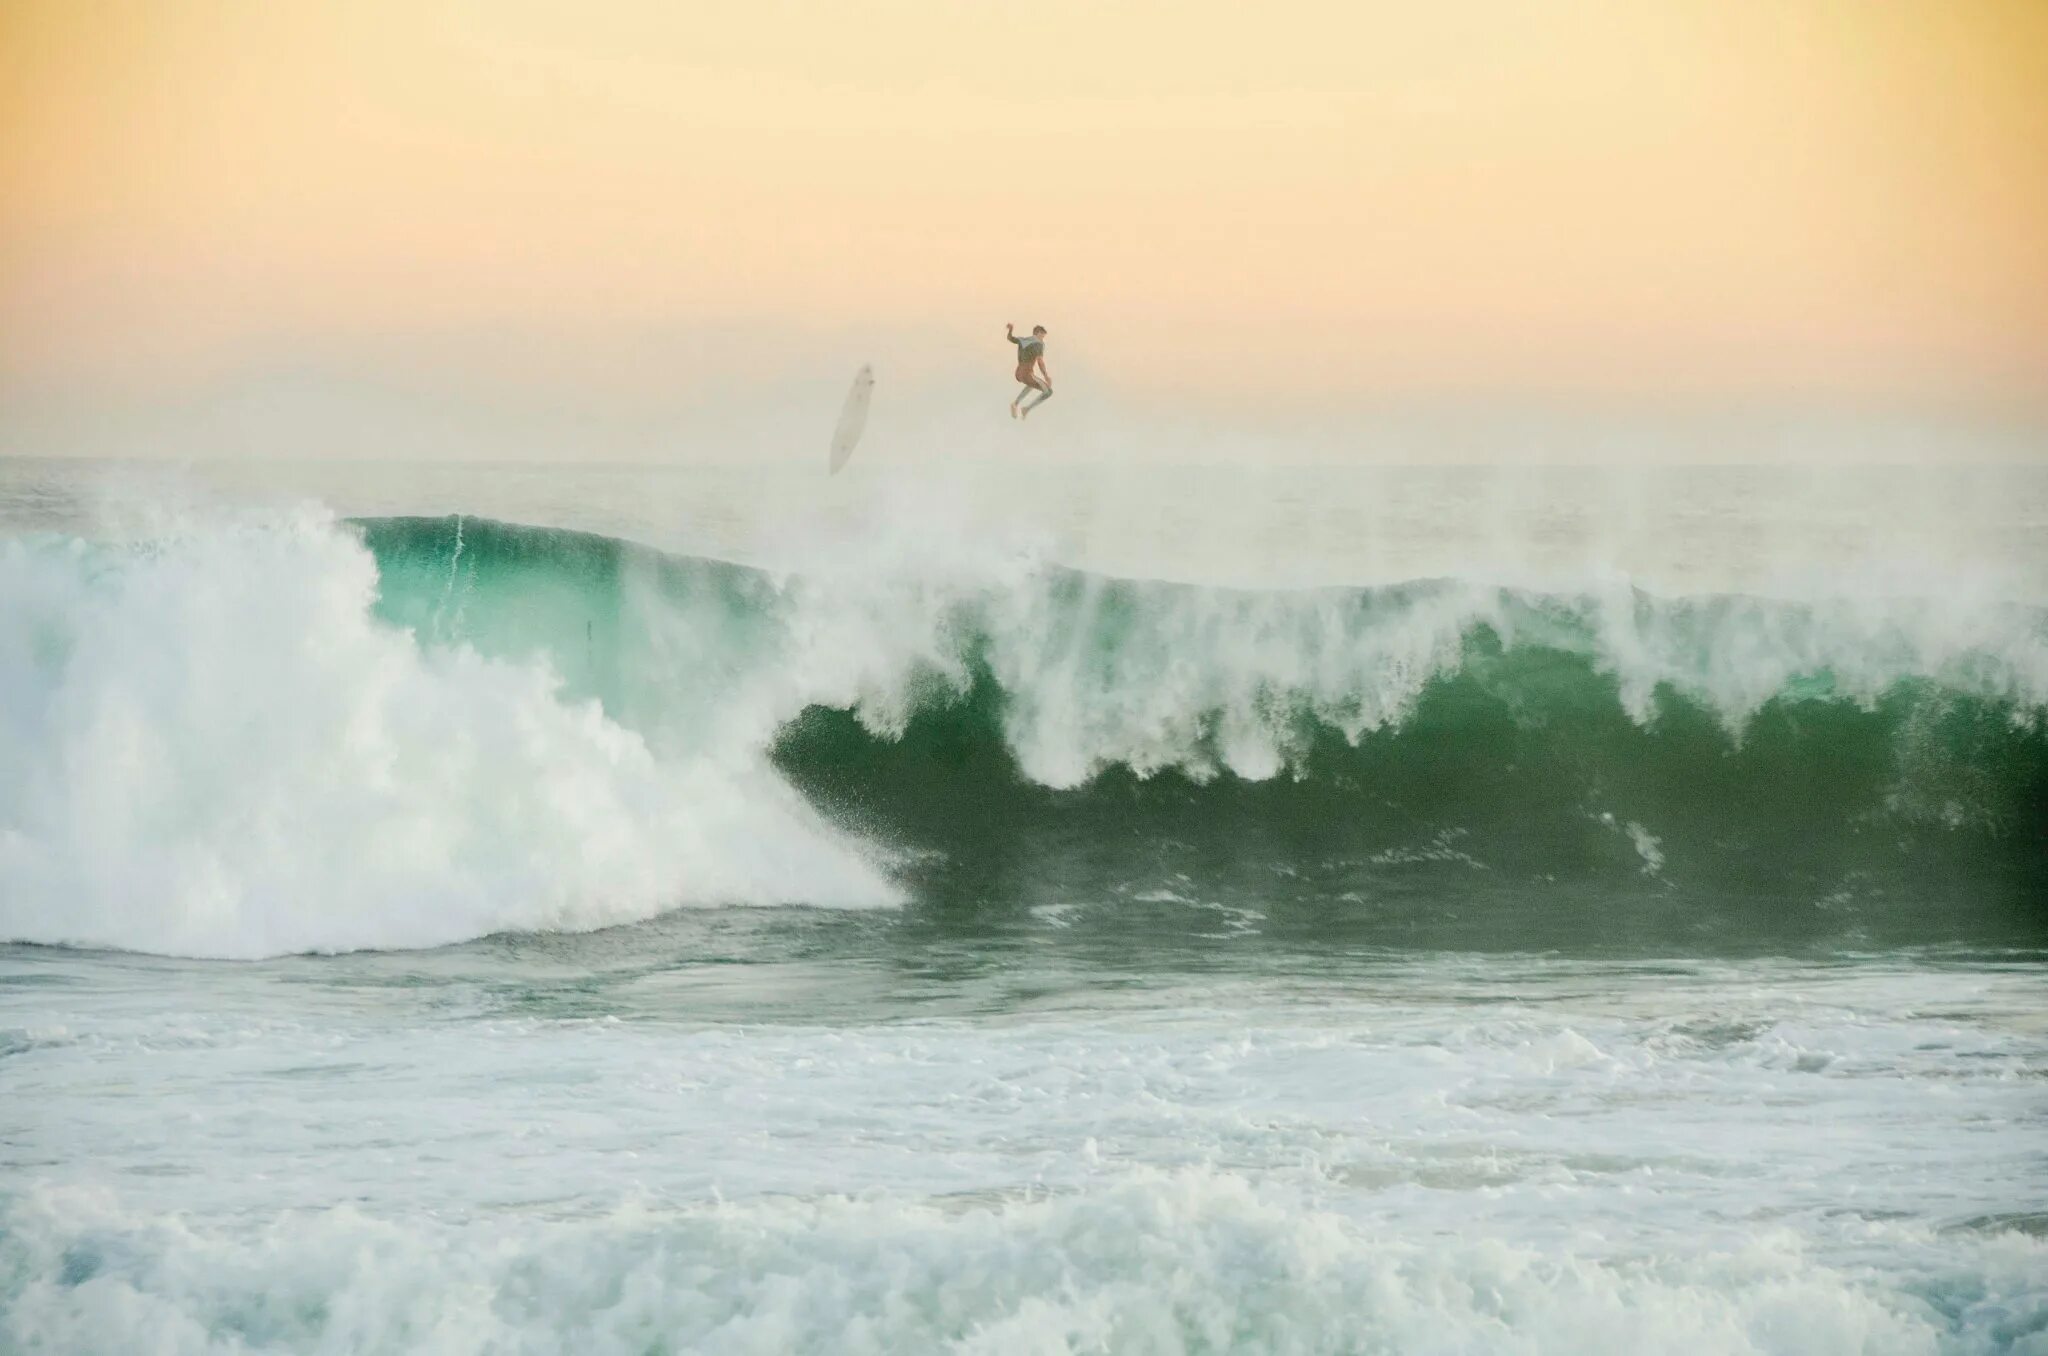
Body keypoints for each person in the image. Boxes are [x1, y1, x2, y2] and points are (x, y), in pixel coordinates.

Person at [1007, 323, 1052, 418]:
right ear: (1038, 333)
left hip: (1018, 373)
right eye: (1042, 336)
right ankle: (1027, 409)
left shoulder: (1022, 340)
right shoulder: (1039, 344)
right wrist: (1046, 376)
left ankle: (1015, 404)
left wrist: (1010, 329)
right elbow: (1040, 362)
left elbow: (1010, 338)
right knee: (1048, 392)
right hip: (1027, 374)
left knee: (1031, 384)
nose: (1042, 339)